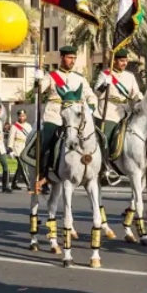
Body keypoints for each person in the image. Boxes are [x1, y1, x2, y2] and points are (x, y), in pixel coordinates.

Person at [33, 45, 98, 191]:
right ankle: (43, 174)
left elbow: (91, 96)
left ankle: (102, 168)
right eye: (69, 58)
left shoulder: (80, 78)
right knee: (47, 141)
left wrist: (91, 108)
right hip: (55, 114)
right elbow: (38, 91)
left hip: (76, 117)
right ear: (61, 58)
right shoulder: (51, 76)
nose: (72, 61)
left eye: (74, 58)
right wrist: (37, 79)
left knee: (97, 137)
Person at [92, 47, 143, 184]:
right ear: (114, 61)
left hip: (125, 110)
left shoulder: (130, 76)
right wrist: (104, 85)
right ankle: (105, 168)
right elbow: (95, 94)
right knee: (105, 137)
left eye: (126, 61)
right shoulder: (104, 74)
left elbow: (136, 94)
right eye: (121, 60)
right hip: (108, 111)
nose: (124, 63)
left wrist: (139, 103)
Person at [7, 109, 31, 190]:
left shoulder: (28, 126)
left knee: (20, 167)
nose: (21, 117)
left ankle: (14, 183)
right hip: (17, 148)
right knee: (23, 166)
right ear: (18, 116)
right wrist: (10, 149)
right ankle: (29, 185)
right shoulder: (14, 126)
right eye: (20, 116)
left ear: (25, 116)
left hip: (26, 147)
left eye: (23, 116)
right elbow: (11, 138)